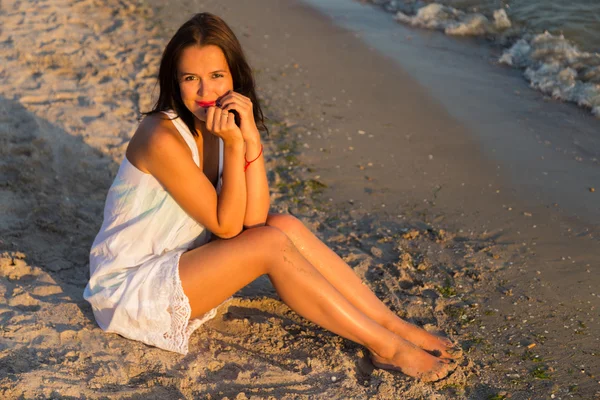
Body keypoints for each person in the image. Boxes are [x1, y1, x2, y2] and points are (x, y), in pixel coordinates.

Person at [83, 12, 462, 382]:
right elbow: (230, 228)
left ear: (234, 77)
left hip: (181, 265)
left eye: (216, 76)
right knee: (268, 243)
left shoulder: (217, 124)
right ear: (175, 81)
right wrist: (234, 145)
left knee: (282, 225)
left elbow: (255, 217)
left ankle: (392, 325)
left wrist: (249, 139)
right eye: (190, 78)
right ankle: (387, 348)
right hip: (130, 289)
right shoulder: (162, 137)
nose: (205, 92)